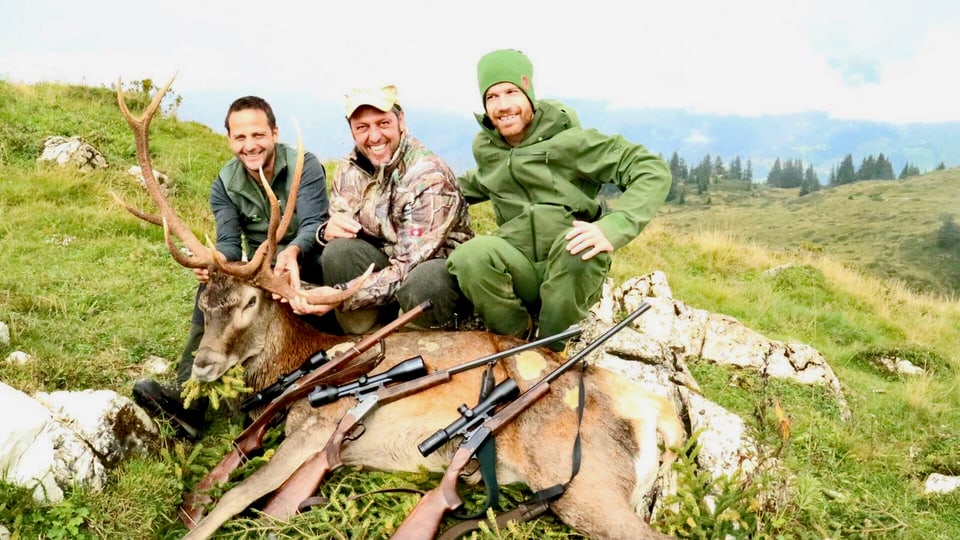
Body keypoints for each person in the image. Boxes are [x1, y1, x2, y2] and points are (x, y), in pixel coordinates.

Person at [446, 49, 672, 350]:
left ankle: (550, 347)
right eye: (491, 97)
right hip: (519, 265)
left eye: (511, 92)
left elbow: (651, 169)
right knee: (468, 256)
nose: (502, 106)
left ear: (528, 93)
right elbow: (467, 185)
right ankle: (517, 338)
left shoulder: (572, 141)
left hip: (568, 264)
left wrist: (615, 226)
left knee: (580, 248)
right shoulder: (488, 149)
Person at [133, 95, 330, 438]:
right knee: (212, 287)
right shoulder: (224, 183)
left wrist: (293, 251)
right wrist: (217, 265)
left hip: (307, 261)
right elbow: (227, 241)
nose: (250, 145)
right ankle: (190, 400)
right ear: (229, 140)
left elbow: (315, 222)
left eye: (258, 135)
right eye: (240, 137)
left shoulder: (303, 165)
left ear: (274, 133)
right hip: (255, 271)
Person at [287, 85, 473, 333]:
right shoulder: (349, 169)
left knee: (424, 280)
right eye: (362, 127)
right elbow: (338, 225)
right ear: (352, 130)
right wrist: (325, 233)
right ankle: (362, 339)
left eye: (383, 123)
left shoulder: (429, 176)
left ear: (401, 120)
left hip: (430, 277)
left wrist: (340, 294)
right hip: (384, 269)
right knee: (338, 251)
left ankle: (420, 345)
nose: (374, 137)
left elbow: (408, 266)